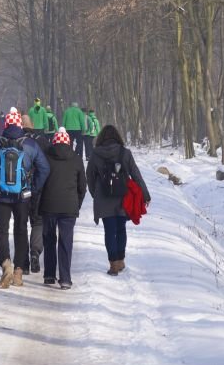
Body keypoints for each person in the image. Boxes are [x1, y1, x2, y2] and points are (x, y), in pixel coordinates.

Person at [0, 107, 50, 288]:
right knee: (21, 231)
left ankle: (6, 264)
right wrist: (33, 187)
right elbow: (44, 168)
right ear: (20, 124)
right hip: (22, 197)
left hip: (0, 196)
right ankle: (19, 272)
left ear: (6, 124)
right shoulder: (30, 144)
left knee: (1, 231)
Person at [86, 123, 151, 275]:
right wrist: (145, 195)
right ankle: (121, 260)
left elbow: (89, 176)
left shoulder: (96, 154)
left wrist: (95, 193)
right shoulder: (125, 153)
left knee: (109, 231)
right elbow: (136, 175)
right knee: (121, 229)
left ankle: (113, 263)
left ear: (101, 138)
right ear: (118, 137)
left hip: (104, 198)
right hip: (123, 198)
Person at [40, 127, 86, 290]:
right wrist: (76, 204)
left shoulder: (45, 157)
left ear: (54, 142)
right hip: (69, 207)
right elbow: (82, 186)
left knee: (49, 240)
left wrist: (38, 203)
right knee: (66, 242)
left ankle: (49, 275)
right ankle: (65, 278)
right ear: (69, 142)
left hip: (48, 205)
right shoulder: (77, 159)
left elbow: (40, 182)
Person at [21, 114, 50, 273]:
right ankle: (35, 251)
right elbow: (47, 166)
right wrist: (39, 186)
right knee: (38, 222)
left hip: (20, 190)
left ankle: (23, 260)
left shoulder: (16, 140)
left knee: (22, 223)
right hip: (38, 188)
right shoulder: (42, 141)